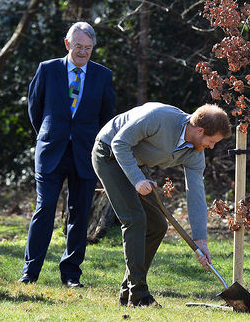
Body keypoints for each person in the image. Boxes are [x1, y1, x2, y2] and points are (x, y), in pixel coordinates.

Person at [91, 102, 231, 307]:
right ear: (200, 130)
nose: (211, 147)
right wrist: (138, 179)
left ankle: (127, 291)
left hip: (135, 163)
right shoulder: (159, 117)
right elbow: (119, 143)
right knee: (134, 219)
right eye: (211, 141)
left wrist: (201, 239)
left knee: (157, 224)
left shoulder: (195, 154)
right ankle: (139, 295)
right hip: (108, 153)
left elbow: (196, 195)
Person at [20, 22, 115, 287]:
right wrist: (50, 135)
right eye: (78, 47)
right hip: (51, 151)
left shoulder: (103, 76)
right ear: (67, 44)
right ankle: (30, 272)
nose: (83, 52)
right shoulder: (47, 70)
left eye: (88, 48)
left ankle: (71, 274)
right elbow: (34, 109)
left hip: (85, 155)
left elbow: (107, 119)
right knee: (45, 209)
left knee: (80, 213)